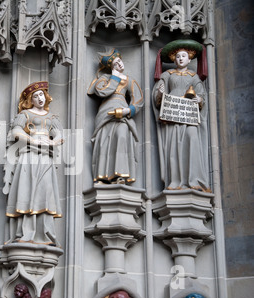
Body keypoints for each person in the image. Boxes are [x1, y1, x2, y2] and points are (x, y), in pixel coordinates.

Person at [3, 81, 63, 246]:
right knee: (29, 191)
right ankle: (26, 233)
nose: (39, 98)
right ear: (31, 99)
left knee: (45, 192)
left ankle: (45, 234)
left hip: (46, 158)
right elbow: (16, 131)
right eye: (35, 96)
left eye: (41, 94)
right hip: (29, 157)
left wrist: (52, 143)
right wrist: (33, 141)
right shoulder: (25, 114)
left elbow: (59, 135)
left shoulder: (52, 117)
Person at [152, 39, 210, 192]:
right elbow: (158, 93)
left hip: (188, 112)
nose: (180, 58)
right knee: (174, 146)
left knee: (192, 138)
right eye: (178, 56)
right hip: (172, 111)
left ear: (189, 58)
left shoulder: (193, 76)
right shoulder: (167, 74)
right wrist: (160, 93)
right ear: (173, 59)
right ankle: (175, 181)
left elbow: (201, 93)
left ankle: (194, 179)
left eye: (184, 56)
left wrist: (199, 99)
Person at [87, 49, 143, 185]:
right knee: (105, 141)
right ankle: (102, 177)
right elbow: (102, 92)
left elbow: (139, 99)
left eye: (120, 61)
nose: (119, 64)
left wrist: (127, 111)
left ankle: (120, 174)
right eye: (116, 63)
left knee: (122, 136)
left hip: (122, 113)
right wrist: (115, 76)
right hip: (105, 114)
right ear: (111, 66)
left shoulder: (129, 80)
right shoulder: (104, 79)